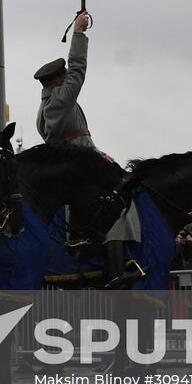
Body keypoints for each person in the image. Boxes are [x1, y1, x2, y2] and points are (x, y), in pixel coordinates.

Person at [34, 12, 141, 244]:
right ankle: (115, 251)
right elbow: (77, 68)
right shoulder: (60, 101)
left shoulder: (46, 106)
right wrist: (78, 34)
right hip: (81, 160)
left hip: (79, 157)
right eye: (63, 78)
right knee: (117, 194)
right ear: (56, 82)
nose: (66, 80)